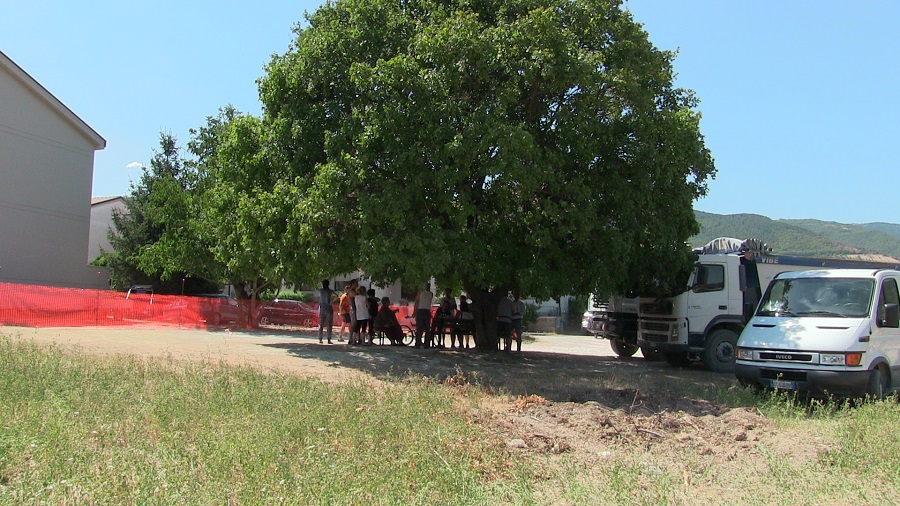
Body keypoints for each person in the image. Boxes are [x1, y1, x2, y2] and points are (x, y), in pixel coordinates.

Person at [413, 284, 434, 348]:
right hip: (427, 311)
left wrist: (414, 311)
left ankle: (418, 343)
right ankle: (426, 344)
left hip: (420, 311)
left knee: (419, 328)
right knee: (427, 328)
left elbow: (416, 302)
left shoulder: (420, 293)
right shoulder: (431, 294)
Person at [317, 280, 336, 344]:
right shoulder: (330, 291)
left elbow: (318, 298)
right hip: (329, 309)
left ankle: (320, 338)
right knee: (329, 324)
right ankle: (329, 339)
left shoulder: (320, 291)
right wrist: (332, 301)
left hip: (322, 309)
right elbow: (336, 296)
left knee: (321, 324)